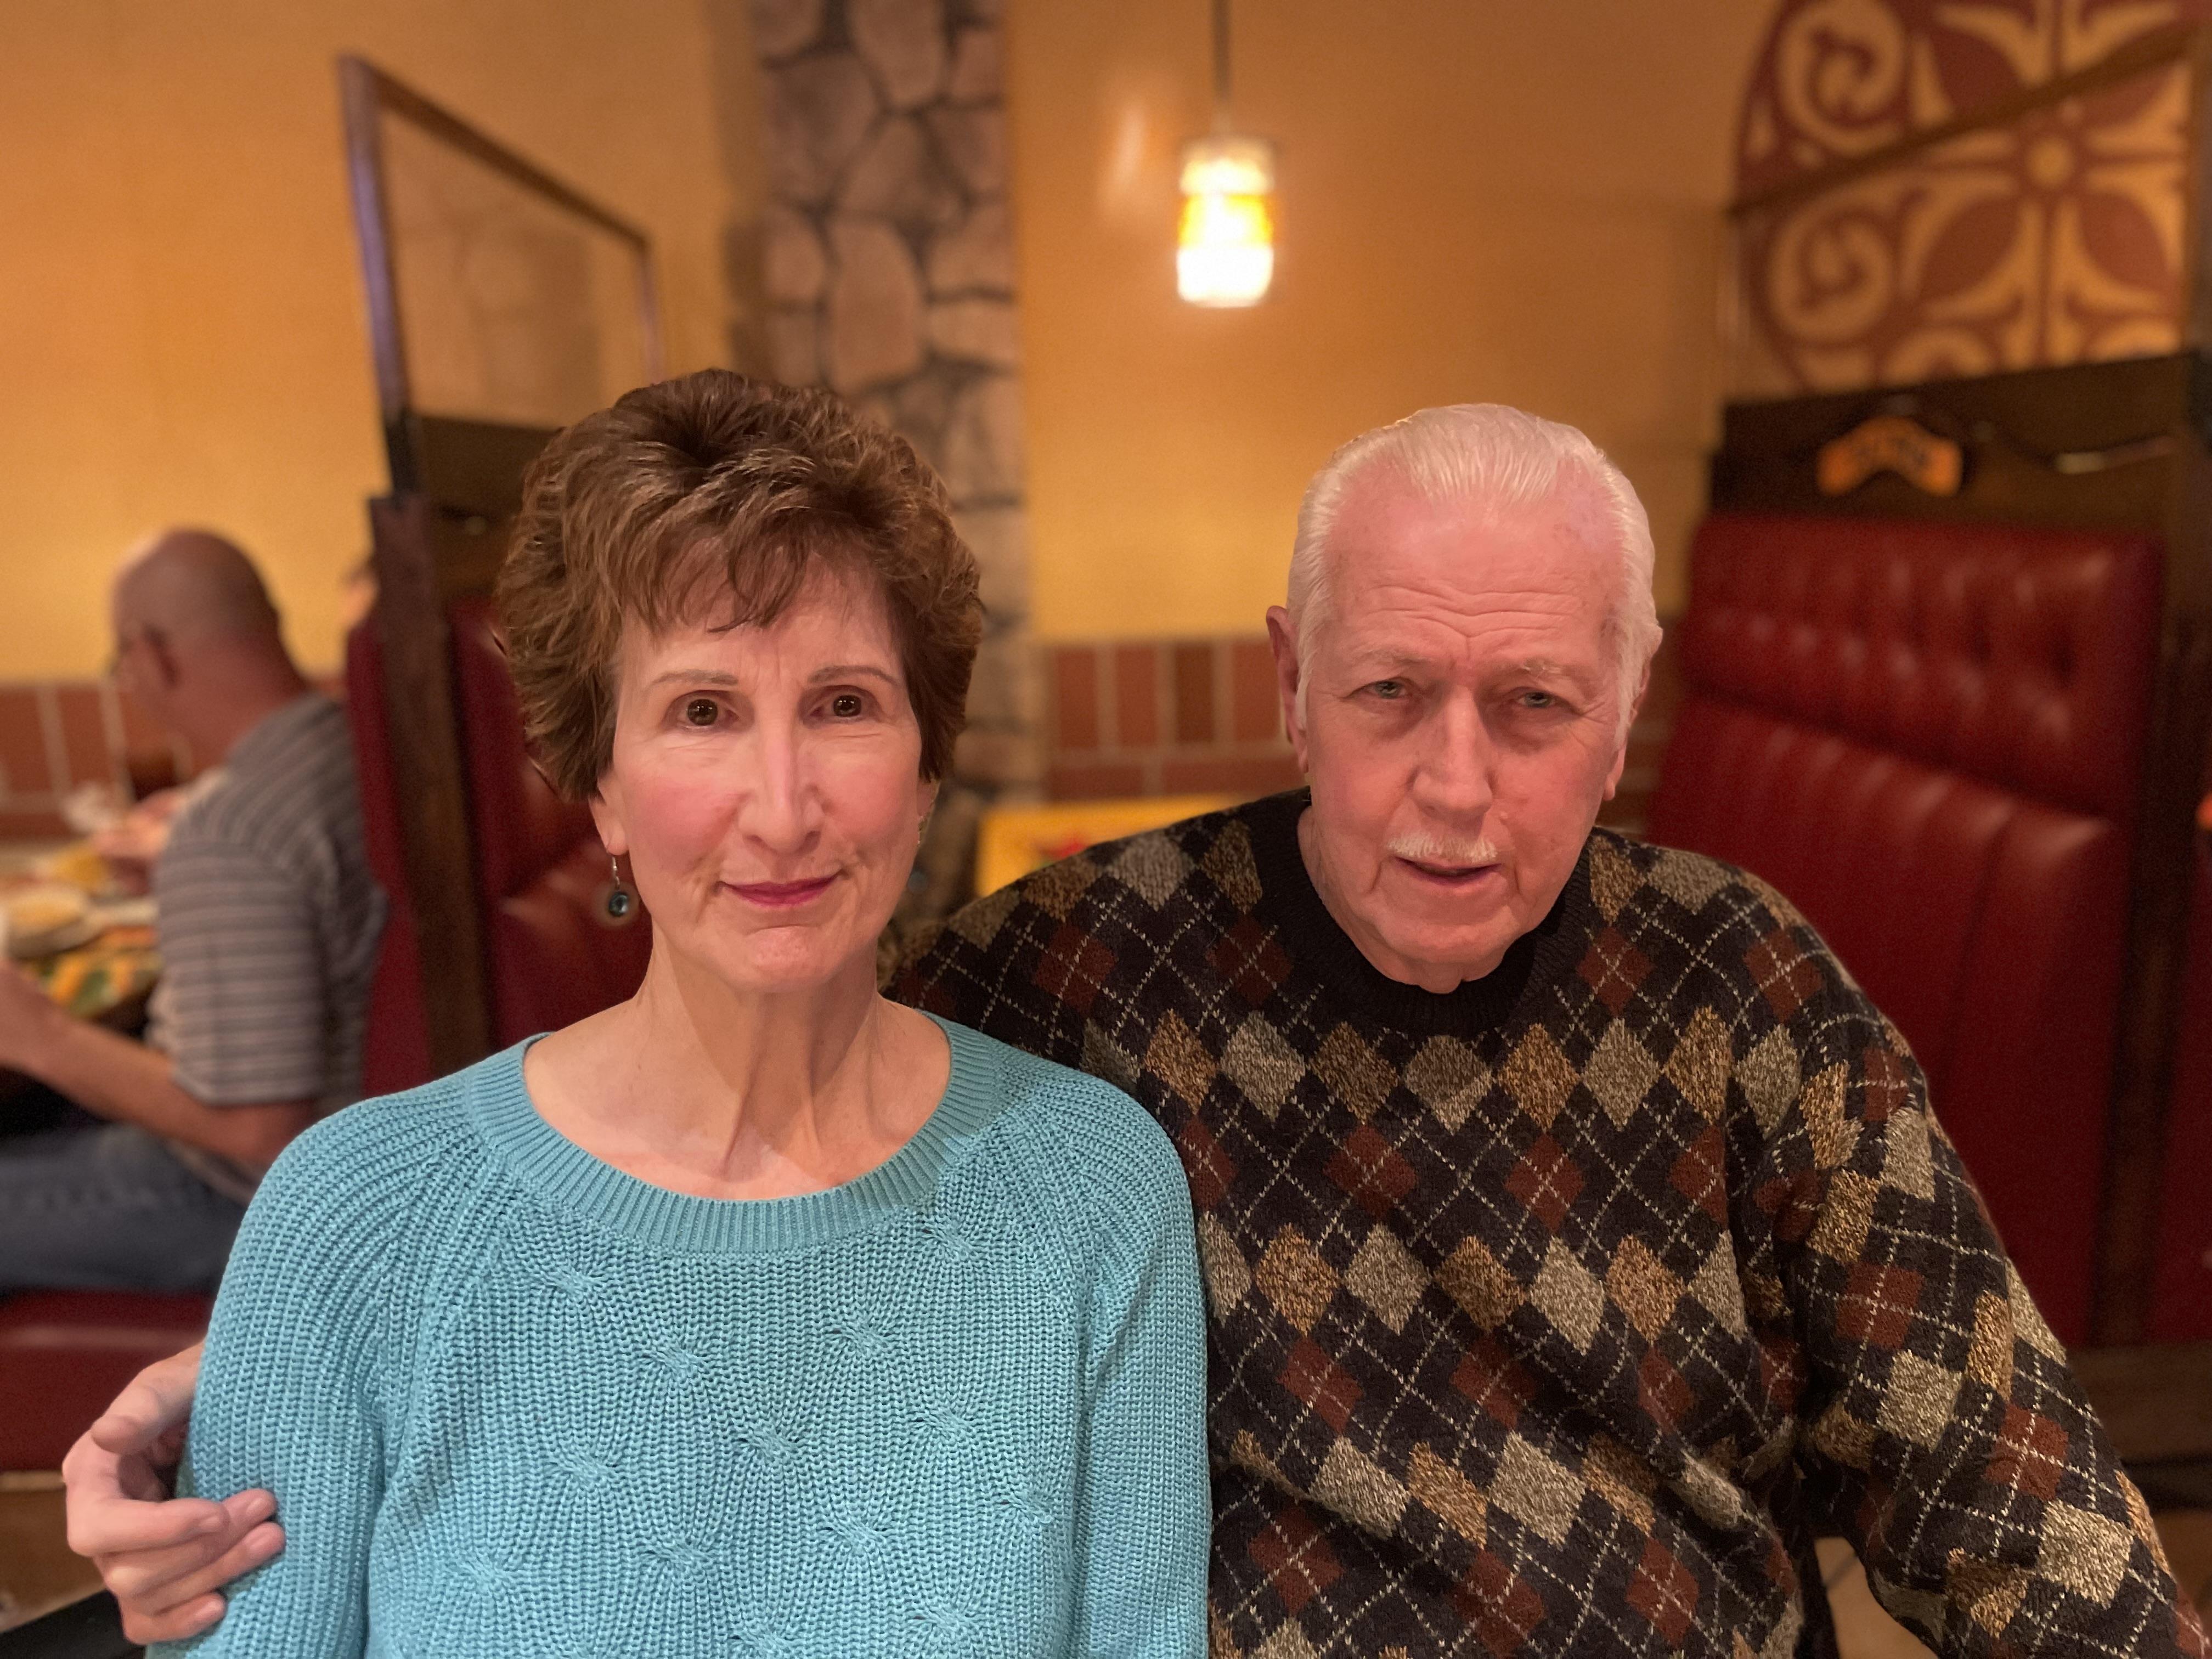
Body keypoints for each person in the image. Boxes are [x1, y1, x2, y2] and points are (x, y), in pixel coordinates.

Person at [65, 405, 2206, 1656]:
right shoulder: (1087, 983)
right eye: (1388, 697)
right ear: (1289, 682)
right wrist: (269, 1356)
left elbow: (2016, 1493)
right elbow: (713, 1146)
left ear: (1629, 716)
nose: (1457, 785)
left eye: (1538, 707)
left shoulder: (1747, 992)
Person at [83, 373, 1211, 1657]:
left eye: (844, 705)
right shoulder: (352, 1222)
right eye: (702, 712)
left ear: (925, 767)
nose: (783, 808)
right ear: (602, 793)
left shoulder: (1089, 1191)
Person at [0, 531, 385, 1291]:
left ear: (151, 652)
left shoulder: (234, 830)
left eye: (122, 666)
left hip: (250, 1203)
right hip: (351, 1166)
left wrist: (38, 1035)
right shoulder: (342, 751)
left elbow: (257, 1128)